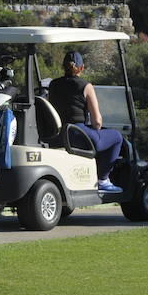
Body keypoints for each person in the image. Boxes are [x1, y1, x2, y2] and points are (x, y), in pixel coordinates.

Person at [47, 51, 124, 193]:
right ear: (81, 68)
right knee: (117, 137)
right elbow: (97, 122)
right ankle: (103, 180)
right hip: (78, 135)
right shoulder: (86, 86)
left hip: (58, 136)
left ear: (63, 66)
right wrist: (97, 129)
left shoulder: (53, 84)